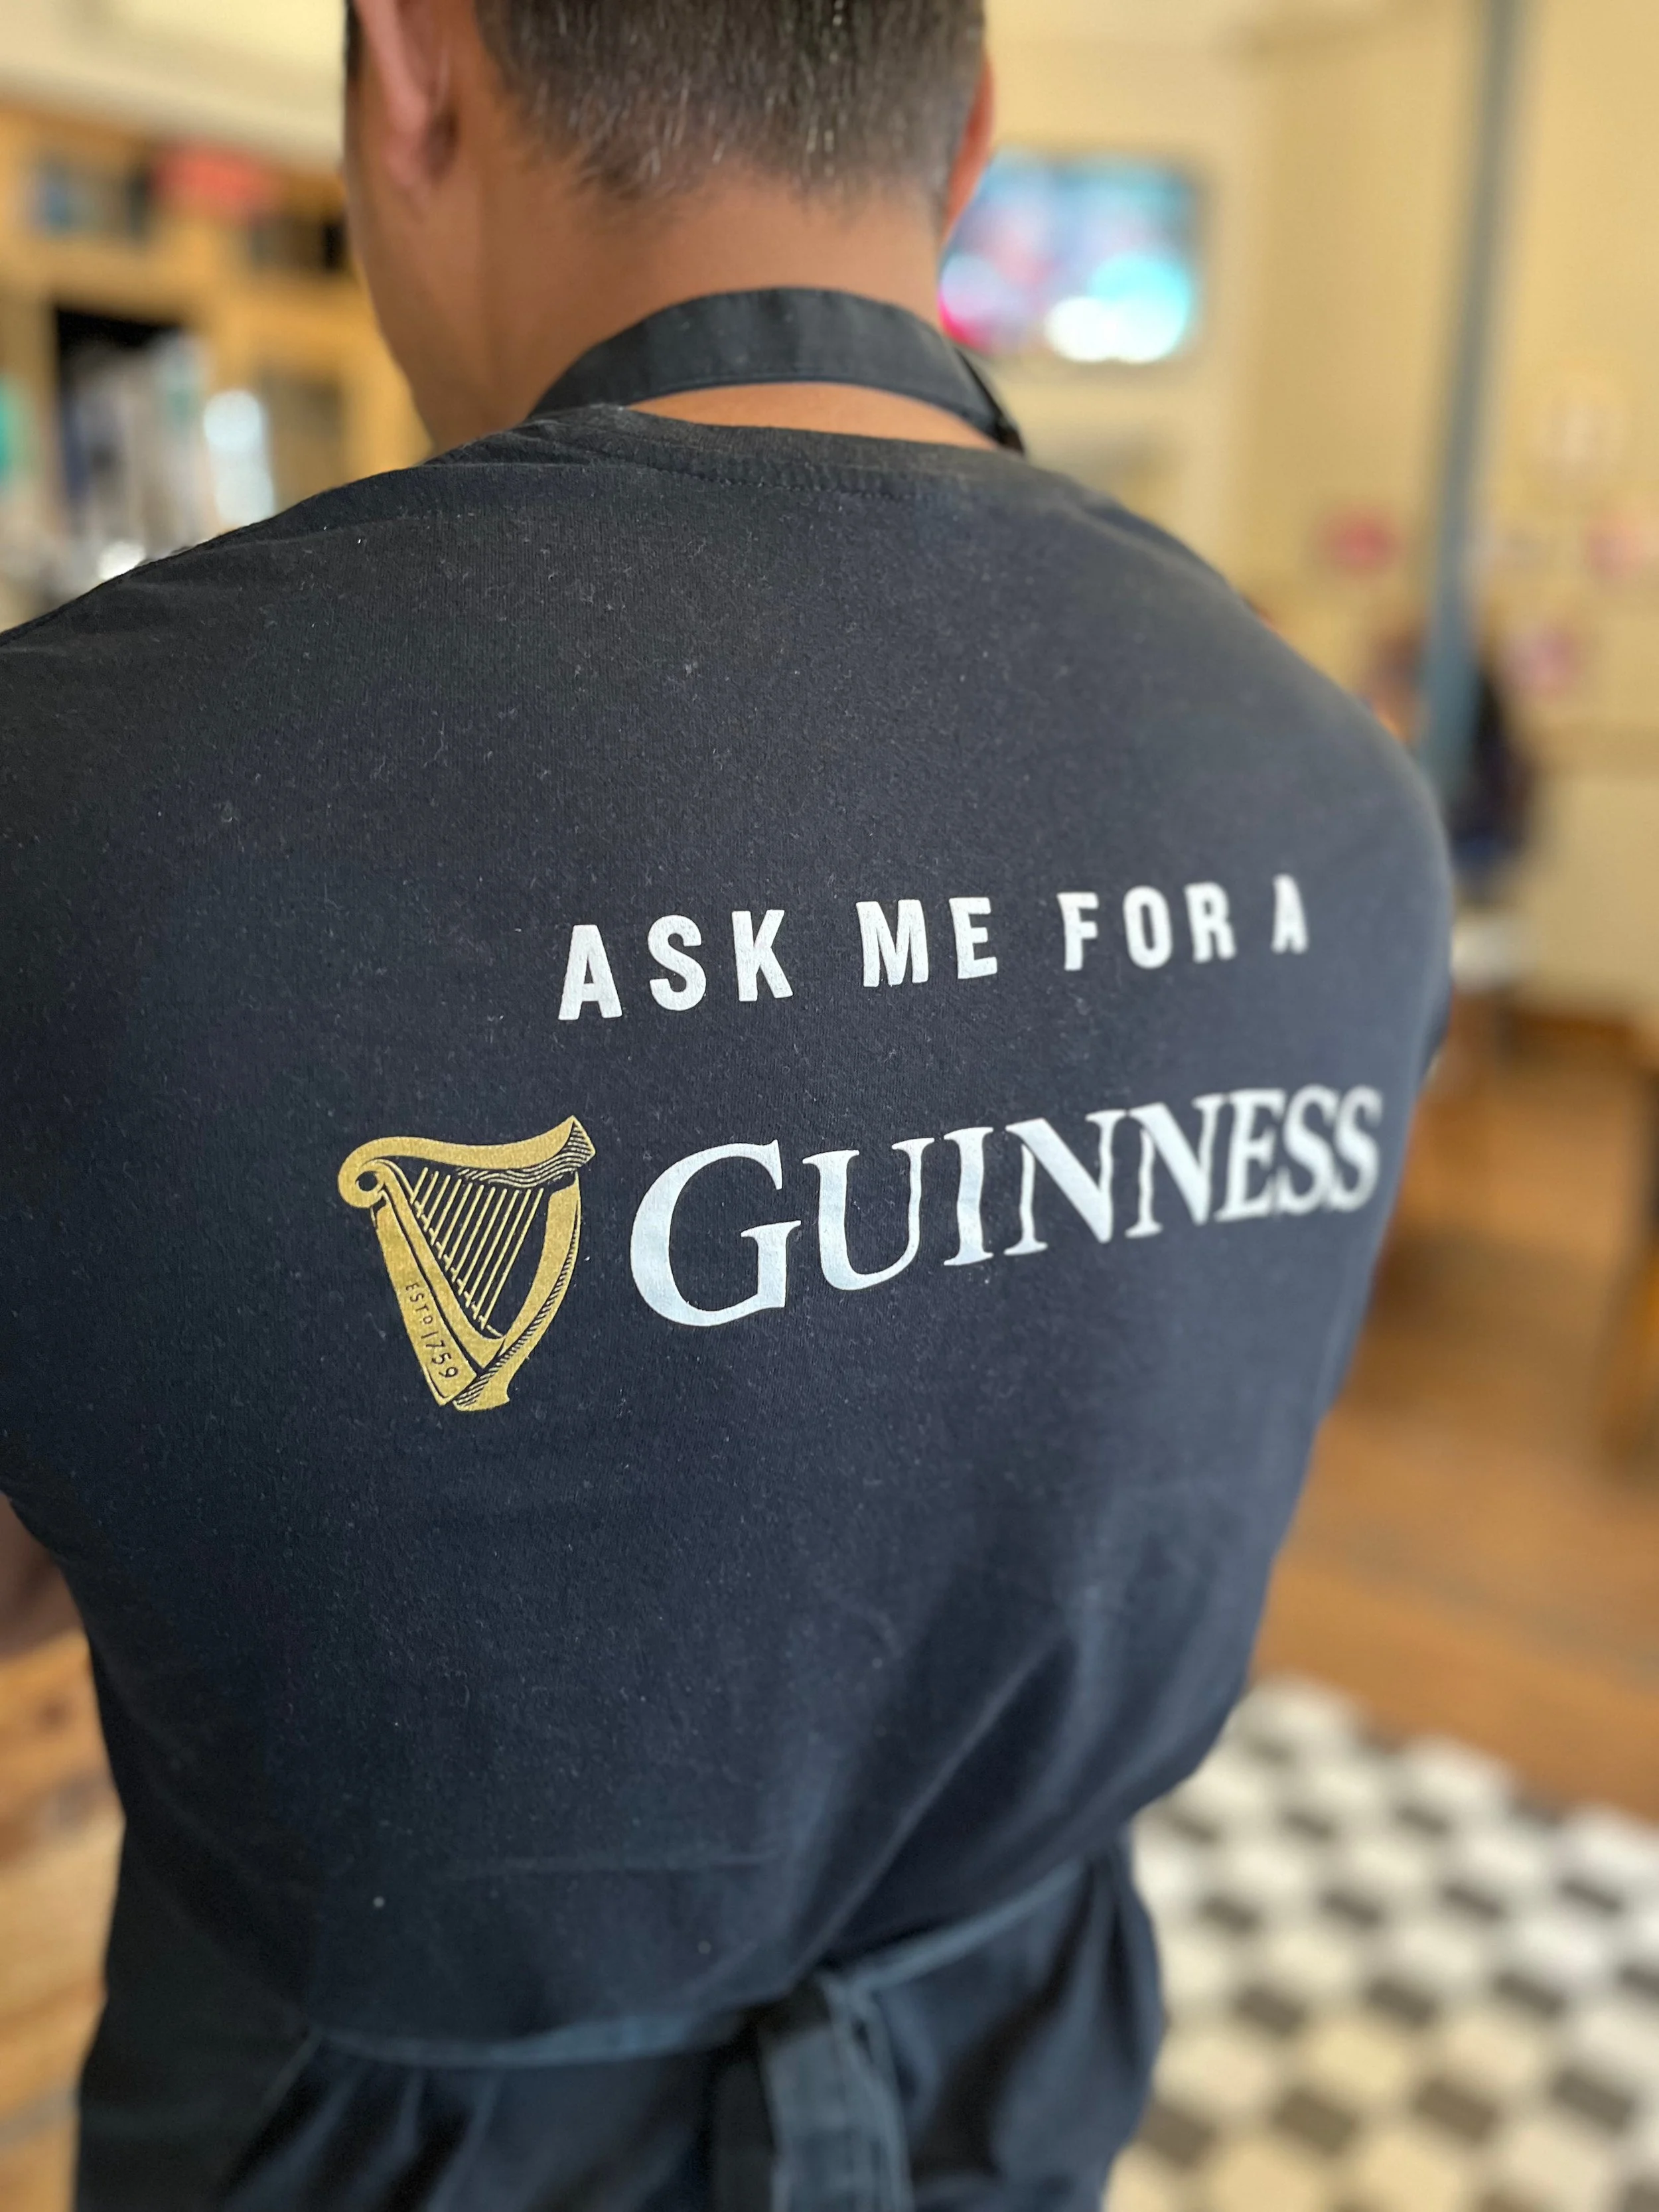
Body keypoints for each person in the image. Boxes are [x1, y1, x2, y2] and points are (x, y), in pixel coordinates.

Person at [0, 3, 1450, 2206]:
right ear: (970, 132)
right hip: (1013, 2085)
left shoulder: (72, 802)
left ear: (413, 69)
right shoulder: (1344, 799)